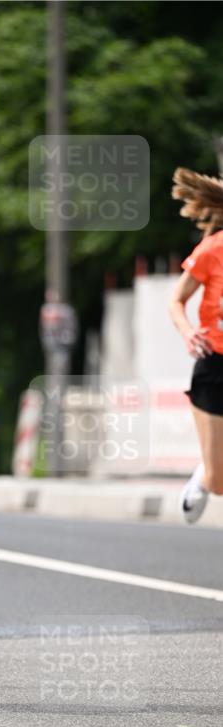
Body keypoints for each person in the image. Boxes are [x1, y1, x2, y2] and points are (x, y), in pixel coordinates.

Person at [169, 168, 223, 524]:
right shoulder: (213, 249)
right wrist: (189, 332)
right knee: (220, 483)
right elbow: (176, 300)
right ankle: (205, 475)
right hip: (215, 365)